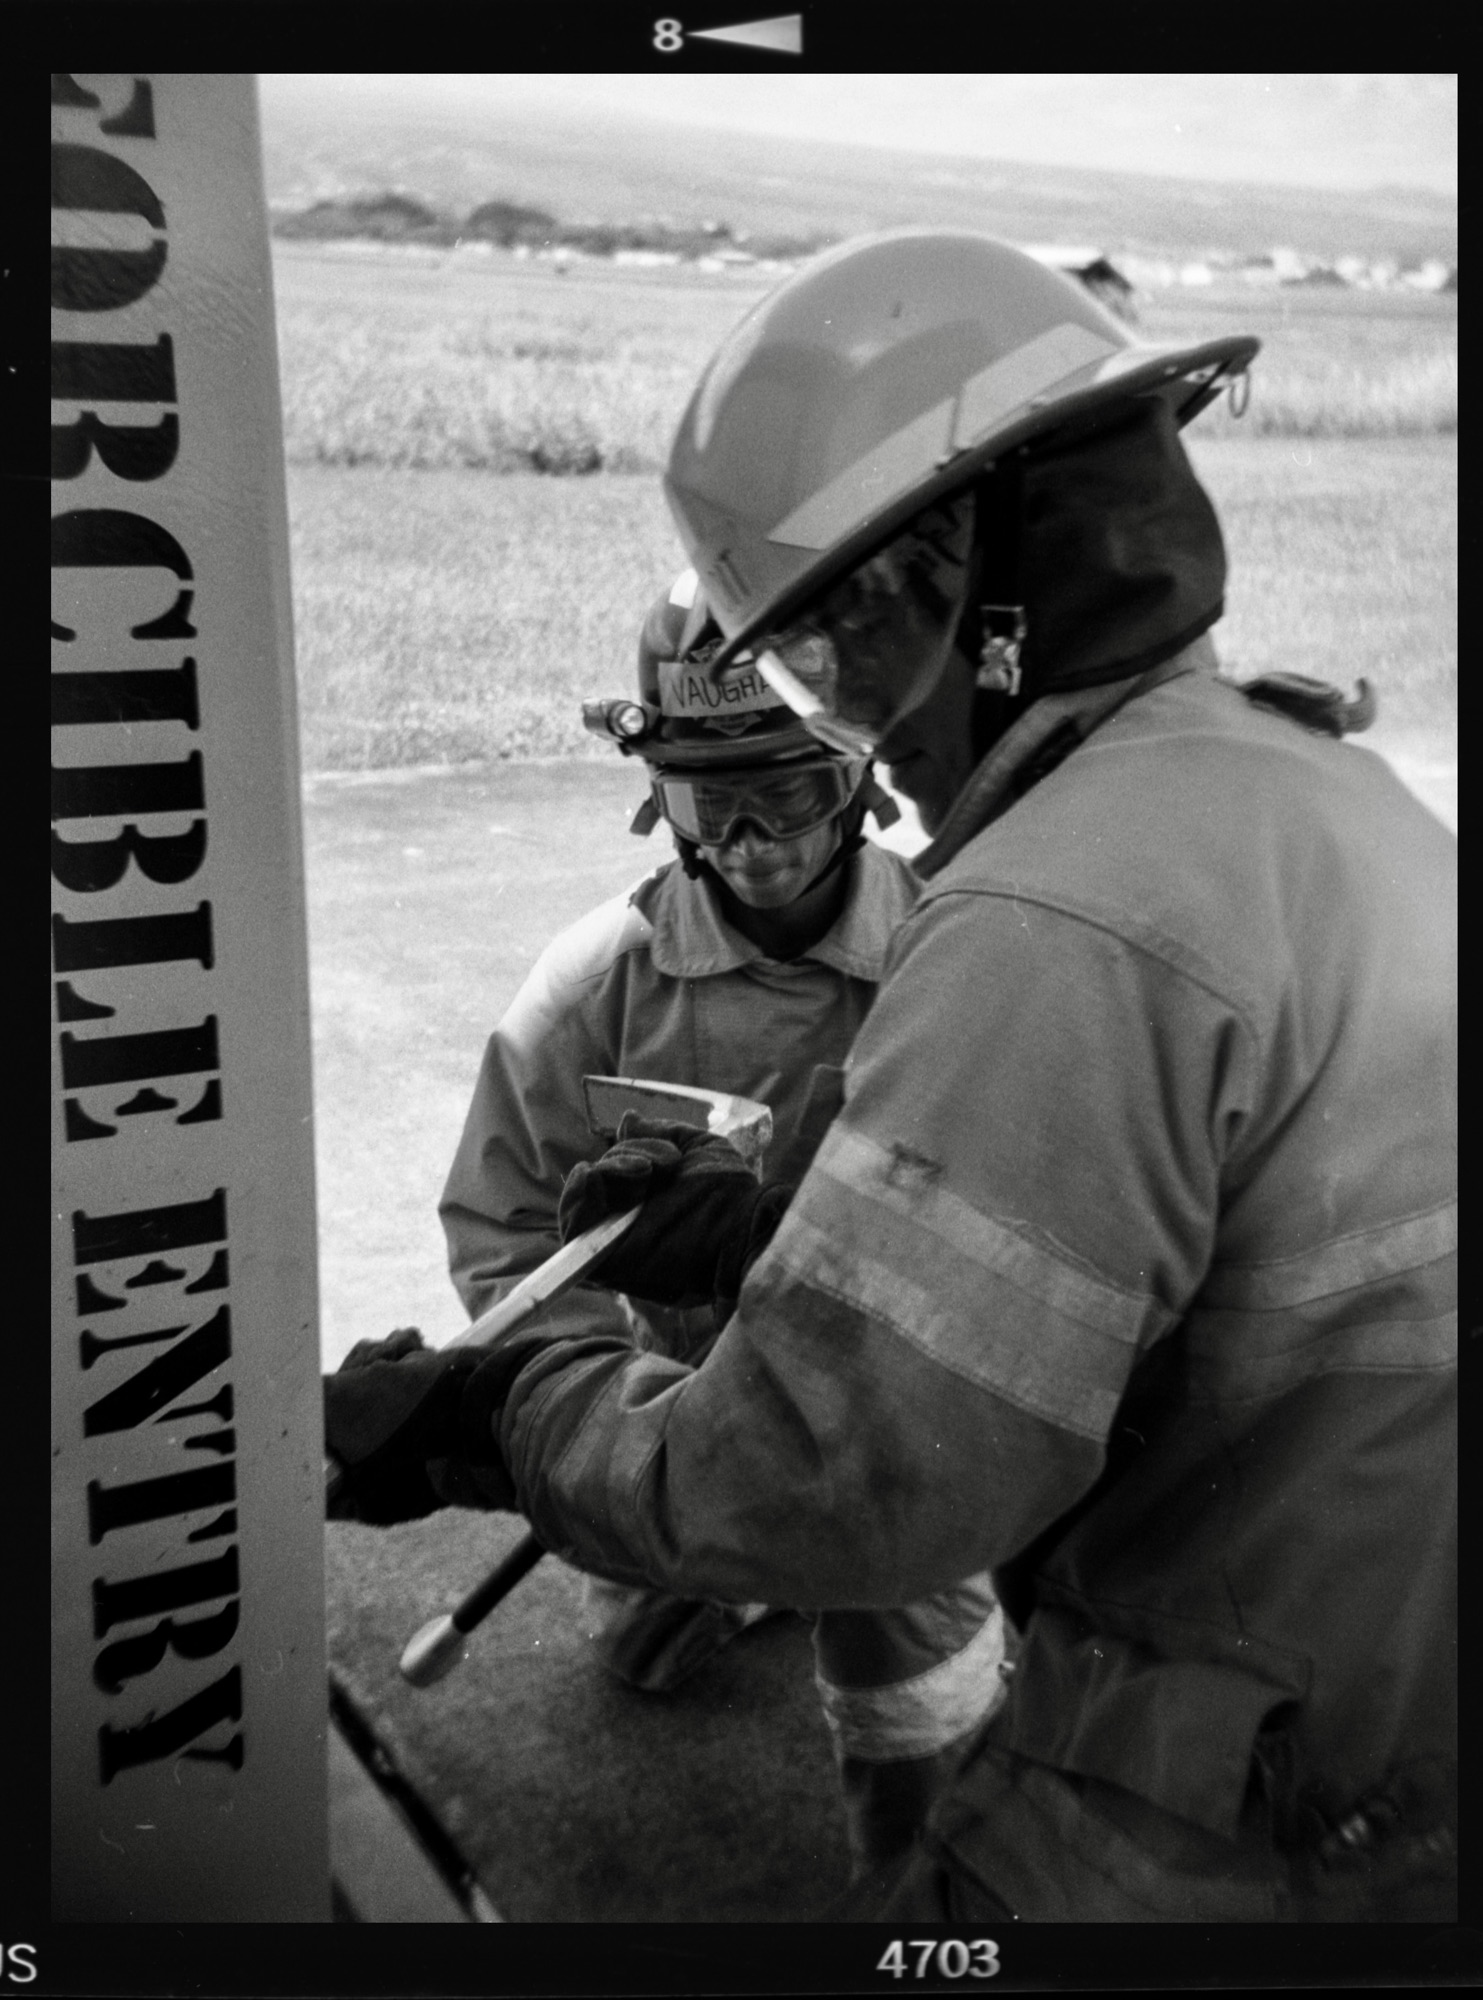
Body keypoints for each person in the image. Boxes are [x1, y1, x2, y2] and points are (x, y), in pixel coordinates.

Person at [325, 231, 1456, 1921]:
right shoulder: (1318, 793)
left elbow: (826, 1478)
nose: (859, 733)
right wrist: (765, 1223)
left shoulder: (1056, 910)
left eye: (827, 662)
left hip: (1264, 1795)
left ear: (956, 590)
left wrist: (500, 1414)